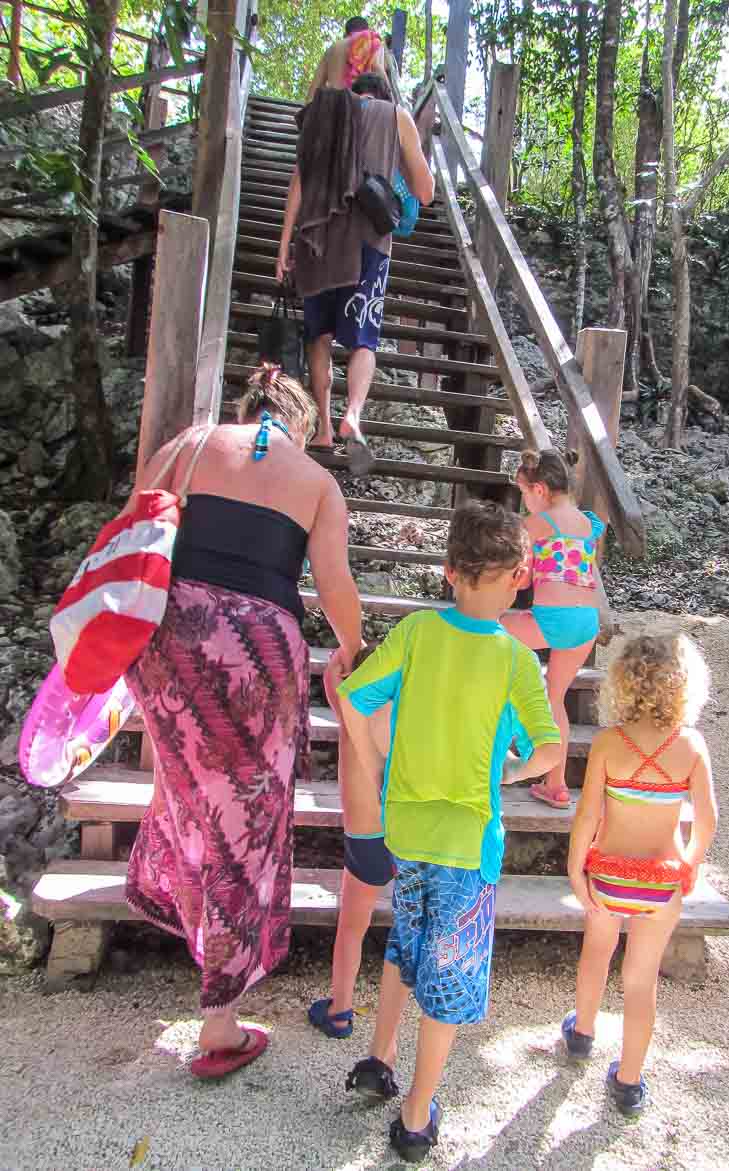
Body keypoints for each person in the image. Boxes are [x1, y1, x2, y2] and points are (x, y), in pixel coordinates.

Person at [124, 364, 362, 1080]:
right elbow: (334, 585)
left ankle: (195, 926)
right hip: (259, 654)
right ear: (302, 426)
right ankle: (221, 1020)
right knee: (247, 824)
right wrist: (352, 651)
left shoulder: (190, 445)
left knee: (187, 790)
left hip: (168, 637)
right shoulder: (317, 483)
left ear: (248, 406)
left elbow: (136, 531)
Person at [337, 502, 562, 1162]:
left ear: (447, 571)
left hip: (406, 832)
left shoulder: (414, 632)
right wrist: (507, 772)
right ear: (521, 576)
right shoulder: (518, 661)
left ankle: (380, 1057)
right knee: (448, 974)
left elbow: (353, 698)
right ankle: (415, 1115)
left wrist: (379, 763)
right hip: (470, 843)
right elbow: (549, 751)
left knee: (407, 941)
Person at [564, 633, 717, 1117]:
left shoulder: (610, 743)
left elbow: (587, 815)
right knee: (640, 979)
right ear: (683, 686)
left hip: (608, 876)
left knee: (596, 955)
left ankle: (582, 1033)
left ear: (622, 684)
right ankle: (629, 1081)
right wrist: (686, 865)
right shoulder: (690, 746)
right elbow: (708, 822)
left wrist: (575, 869)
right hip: (660, 882)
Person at [277, 74, 434, 472]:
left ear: (355, 93)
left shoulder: (323, 115)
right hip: (368, 243)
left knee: (320, 335)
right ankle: (355, 414)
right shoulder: (396, 116)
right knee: (364, 336)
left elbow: (298, 182)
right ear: (383, 96)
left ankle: (325, 427)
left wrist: (284, 245)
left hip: (317, 239)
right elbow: (426, 191)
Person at [502, 449, 612, 809]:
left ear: (539, 489)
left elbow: (522, 580)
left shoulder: (536, 525)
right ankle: (556, 784)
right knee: (556, 697)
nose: (523, 501)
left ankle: (512, 743)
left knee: (489, 628)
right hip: (585, 623)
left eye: (523, 492)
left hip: (552, 619)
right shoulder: (586, 523)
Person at [307, 644, 393, 1038]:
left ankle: (340, 1010)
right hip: (408, 836)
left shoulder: (351, 712)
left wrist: (341, 658)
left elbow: (330, 681)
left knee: (352, 928)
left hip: (366, 841)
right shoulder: (404, 717)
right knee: (411, 927)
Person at [307, 16, 388, 100]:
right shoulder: (370, 41)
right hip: (355, 106)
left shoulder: (331, 49)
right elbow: (378, 68)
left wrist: (307, 110)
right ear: (366, 30)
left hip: (332, 104)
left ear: (345, 34)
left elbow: (314, 89)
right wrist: (391, 100)